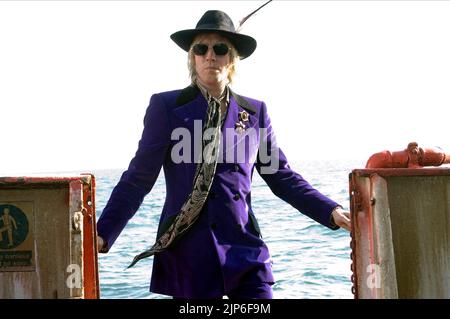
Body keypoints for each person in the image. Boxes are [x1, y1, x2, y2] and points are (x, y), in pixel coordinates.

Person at [96, 9, 351, 299]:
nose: (210, 55)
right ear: (192, 57)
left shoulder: (255, 112)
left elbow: (282, 176)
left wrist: (330, 211)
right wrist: (104, 232)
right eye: (201, 48)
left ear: (231, 59)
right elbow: (138, 179)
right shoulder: (166, 108)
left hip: (246, 254)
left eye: (220, 48)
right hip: (188, 257)